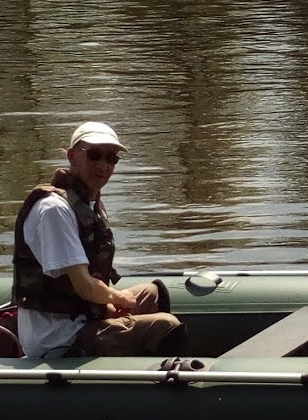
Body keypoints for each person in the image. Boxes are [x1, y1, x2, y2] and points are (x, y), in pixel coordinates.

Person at [12, 121, 184, 358]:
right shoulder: (54, 210)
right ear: (72, 156)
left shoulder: (86, 203)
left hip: (81, 316)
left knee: (152, 292)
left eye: (111, 158)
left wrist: (108, 304)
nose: (103, 165)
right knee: (164, 326)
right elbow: (84, 286)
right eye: (94, 155)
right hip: (58, 339)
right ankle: (157, 384)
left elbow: (93, 276)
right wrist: (116, 298)